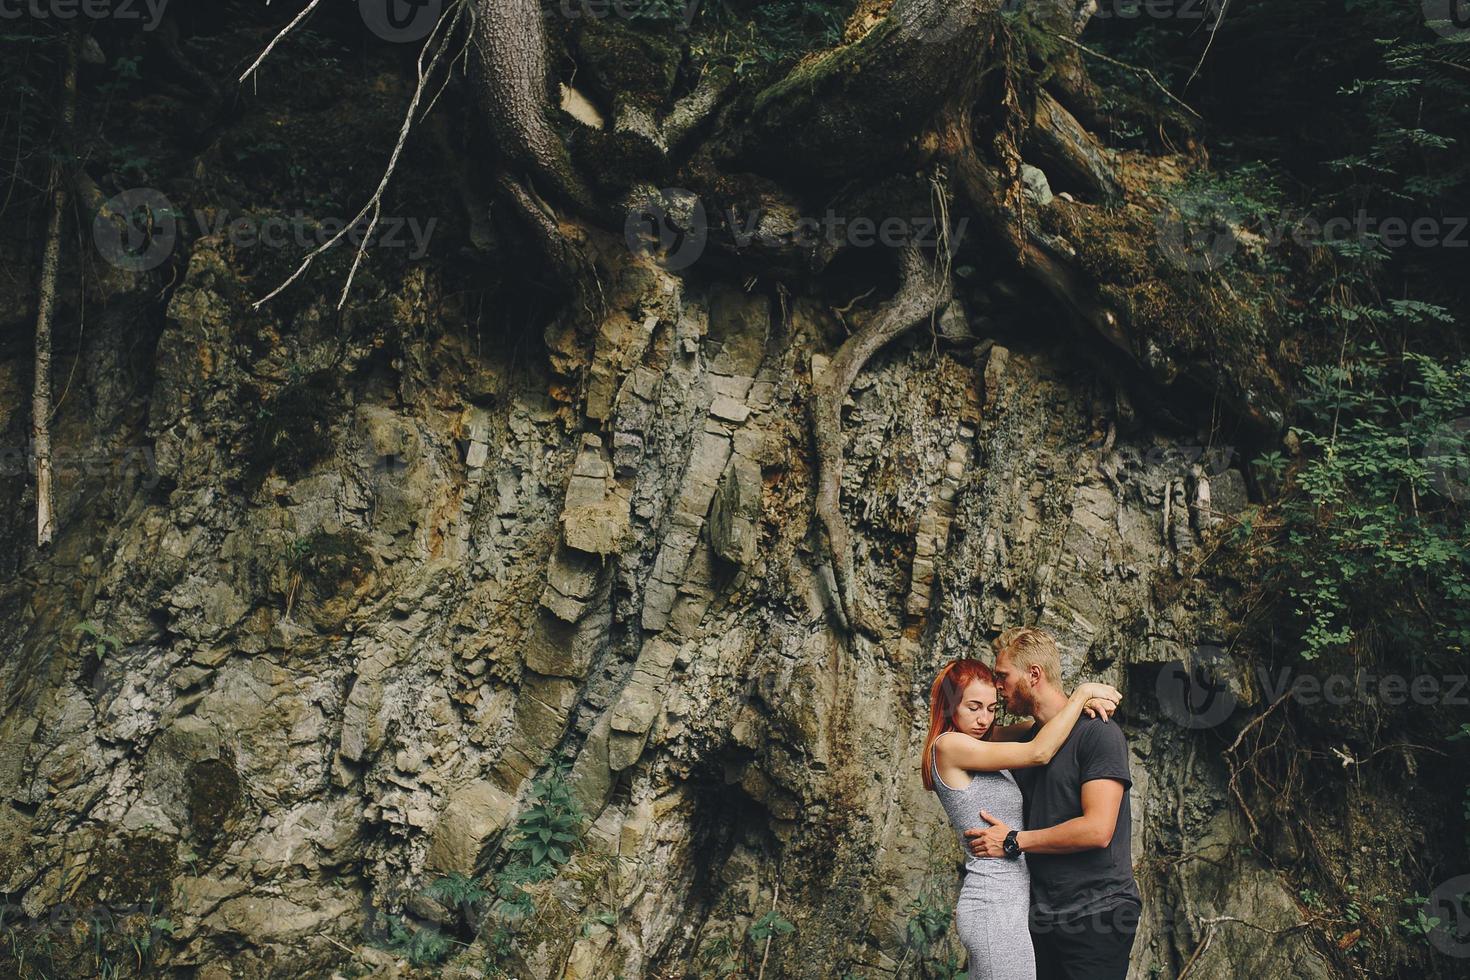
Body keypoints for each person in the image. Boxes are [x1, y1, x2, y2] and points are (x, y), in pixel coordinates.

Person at [923, 657, 1124, 980]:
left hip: (1014, 903)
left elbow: (1047, 725)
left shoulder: (983, 740)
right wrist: (1083, 693)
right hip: (993, 903)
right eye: (973, 707)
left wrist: (1083, 709)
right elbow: (1038, 751)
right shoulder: (950, 746)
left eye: (991, 708)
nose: (983, 719)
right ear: (949, 706)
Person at [962, 627, 1143, 980]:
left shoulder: (1098, 733)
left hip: (1098, 913)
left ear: (1034, 675)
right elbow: (967, 734)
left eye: (1003, 677)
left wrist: (1014, 840)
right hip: (1042, 918)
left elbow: (1097, 830)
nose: (997, 688)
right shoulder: (1028, 743)